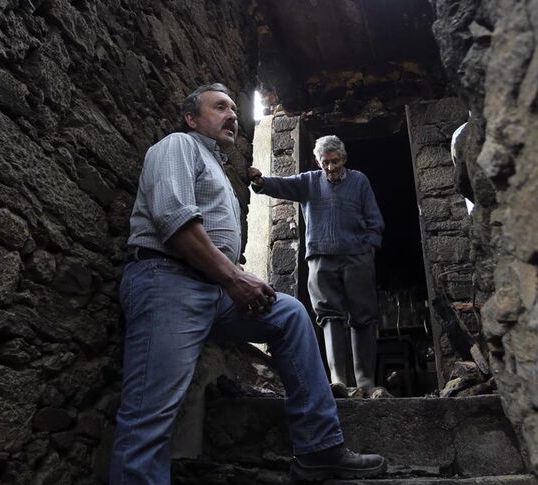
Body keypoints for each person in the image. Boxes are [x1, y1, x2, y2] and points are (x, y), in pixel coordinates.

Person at [110, 84, 387, 484]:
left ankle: (320, 450)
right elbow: (174, 223)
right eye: (220, 107)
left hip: (213, 286)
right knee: (149, 411)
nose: (232, 116)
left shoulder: (218, 169)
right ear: (192, 119)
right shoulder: (177, 146)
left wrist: (234, 276)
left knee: (290, 314)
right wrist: (234, 276)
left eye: (234, 111)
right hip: (166, 279)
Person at [249, 135, 387, 398]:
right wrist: (261, 182)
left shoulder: (359, 181)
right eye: (325, 163)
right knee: (329, 316)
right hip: (321, 258)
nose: (330, 168)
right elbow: (281, 185)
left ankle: (366, 382)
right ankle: (339, 381)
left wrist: (370, 247)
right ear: (318, 161)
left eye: (335, 162)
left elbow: (374, 218)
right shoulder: (309, 181)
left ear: (344, 160)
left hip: (357, 256)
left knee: (363, 316)